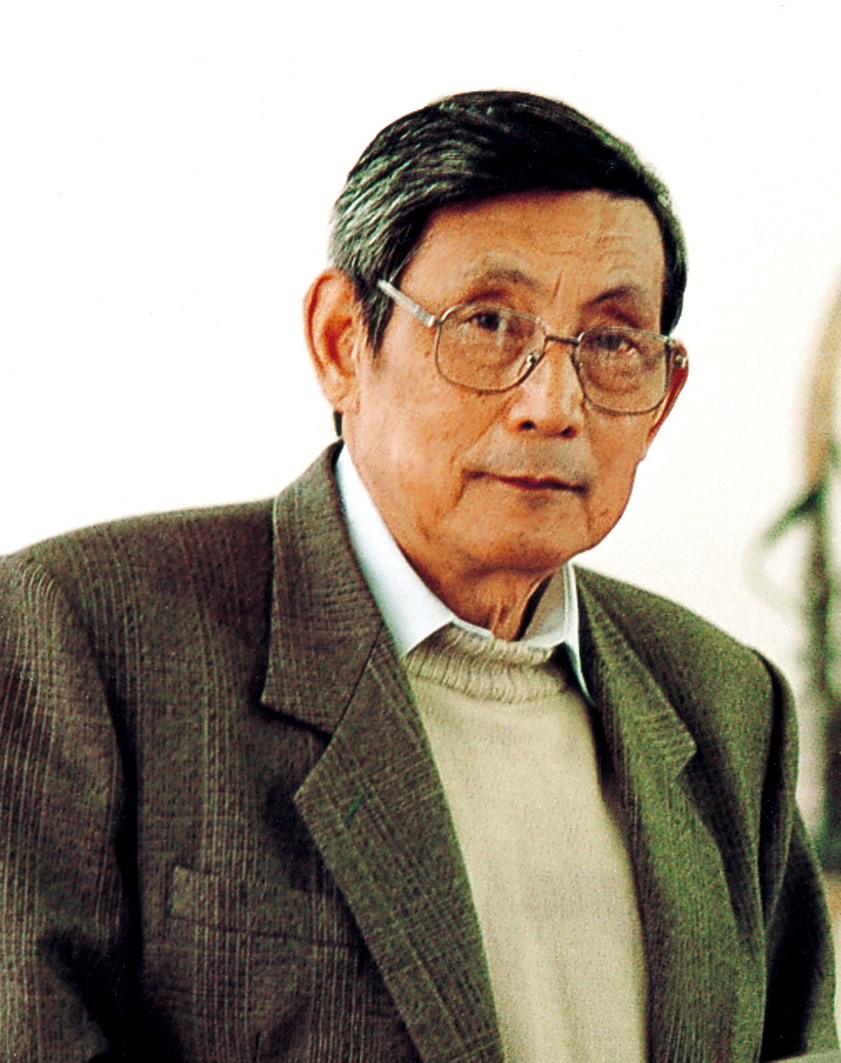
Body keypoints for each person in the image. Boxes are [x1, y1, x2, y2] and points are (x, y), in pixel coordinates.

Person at [0, 90, 836, 1063]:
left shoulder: (724, 700)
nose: (552, 403)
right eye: (487, 321)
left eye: (611, 342)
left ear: (662, 394)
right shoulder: (82, 639)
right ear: (341, 341)